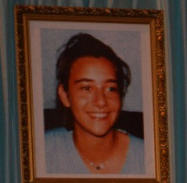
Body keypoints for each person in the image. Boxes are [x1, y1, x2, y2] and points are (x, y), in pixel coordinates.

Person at [45, 33, 145, 175]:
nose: (101, 101)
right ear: (65, 96)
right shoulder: (42, 152)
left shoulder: (148, 156)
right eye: (87, 88)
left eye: (110, 89)